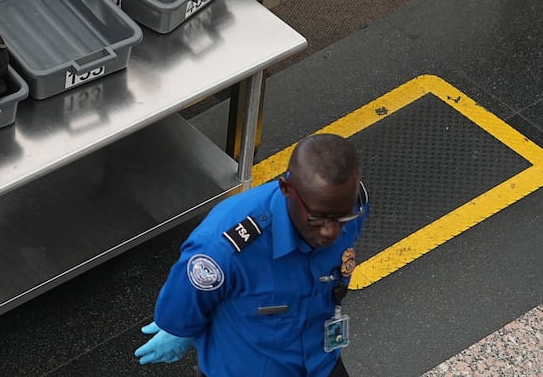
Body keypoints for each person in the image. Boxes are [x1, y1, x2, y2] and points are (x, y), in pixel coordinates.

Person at [137, 133, 369, 377]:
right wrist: (180, 328)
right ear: (285, 188)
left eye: (341, 218)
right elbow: (185, 300)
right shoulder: (222, 250)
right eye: (317, 219)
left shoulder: (352, 205)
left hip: (320, 363)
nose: (331, 232)